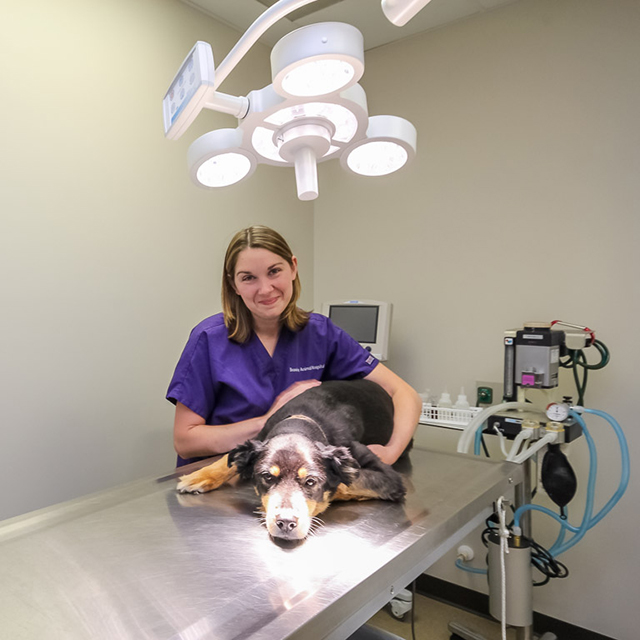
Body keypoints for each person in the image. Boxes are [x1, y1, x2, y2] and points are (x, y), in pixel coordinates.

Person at [167, 225, 421, 467]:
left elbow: (405, 394)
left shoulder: (320, 333)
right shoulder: (209, 339)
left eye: (274, 271)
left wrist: (391, 453)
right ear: (234, 284)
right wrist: (267, 422)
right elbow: (186, 441)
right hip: (219, 483)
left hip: (292, 479)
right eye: (248, 278)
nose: (265, 289)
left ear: (293, 267)